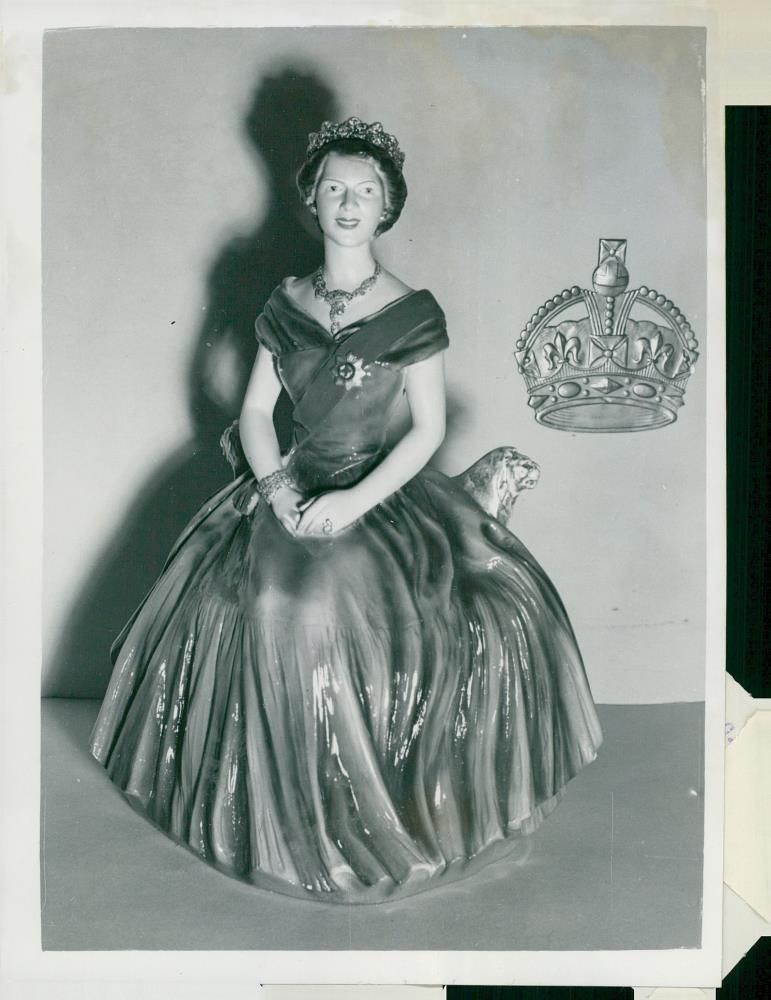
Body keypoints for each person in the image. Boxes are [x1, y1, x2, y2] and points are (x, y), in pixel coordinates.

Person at [90, 117, 603, 903]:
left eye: (365, 190)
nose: (348, 202)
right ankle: (272, 825)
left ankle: (348, 822)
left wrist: (352, 502)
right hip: (287, 484)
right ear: (311, 199)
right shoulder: (285, 301)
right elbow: (256, 414)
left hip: (378, 492)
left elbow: (427, 429)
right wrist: (280, 490)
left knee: (325, 603)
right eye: (334, 187)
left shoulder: (412, 312)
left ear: (387, 205)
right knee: (263, 598)